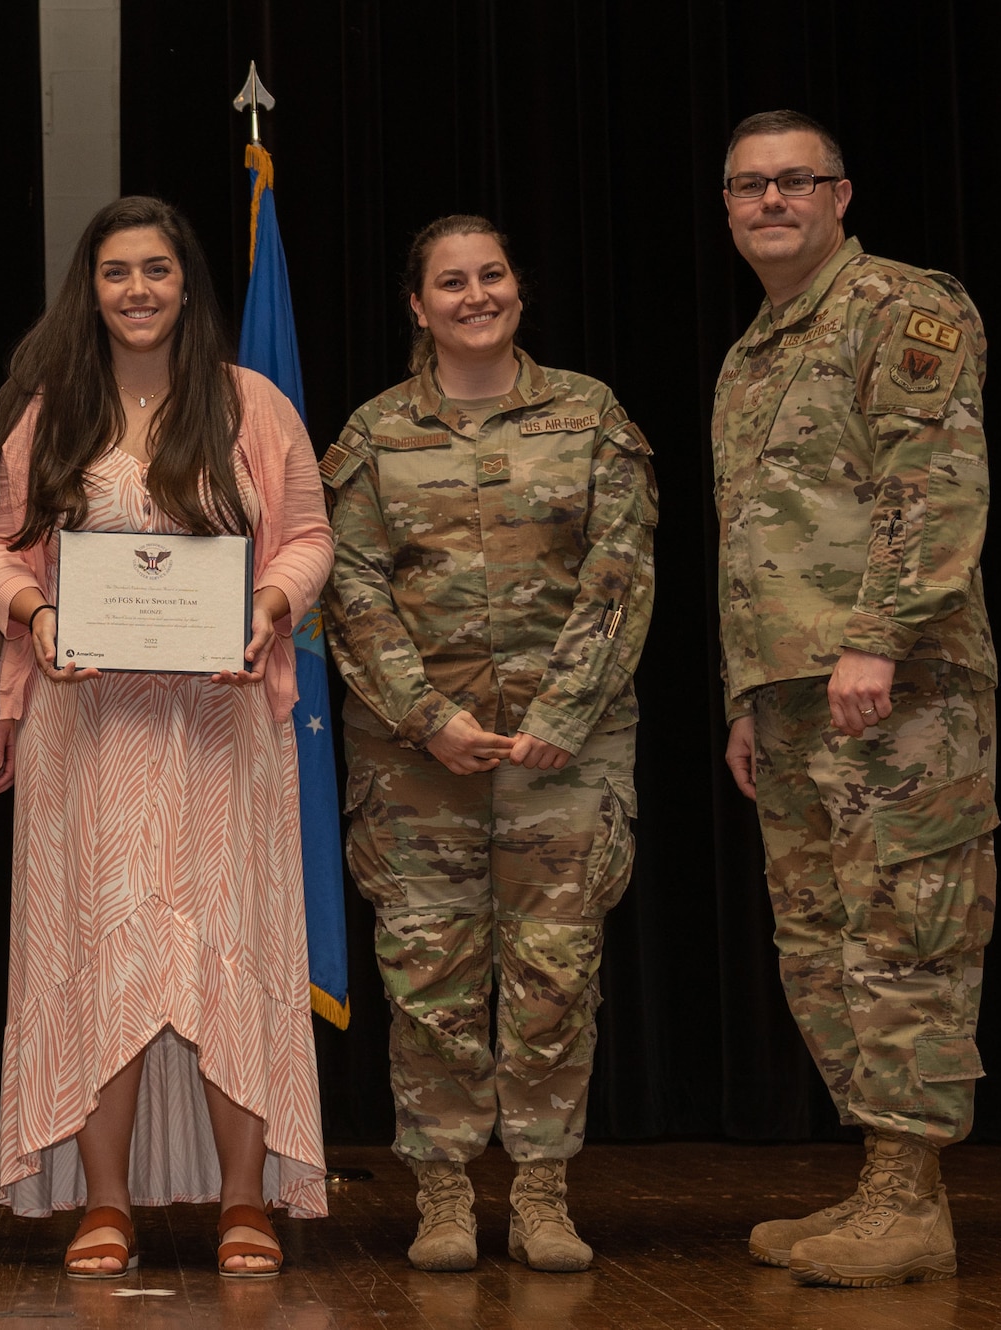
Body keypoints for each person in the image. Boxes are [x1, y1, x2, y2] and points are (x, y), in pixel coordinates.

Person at [0, 196, 333, 1279]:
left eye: (156, 270)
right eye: (115, 271)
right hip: (88, 731)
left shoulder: (249, 405)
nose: (135, 290)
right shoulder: (50, 411)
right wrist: (31, 615)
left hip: (220, 727)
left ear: (186, 285)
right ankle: (103, 1201)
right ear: (91, 286)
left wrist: (268, 602)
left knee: (231, 951)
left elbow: (306, 535)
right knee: (100, 951)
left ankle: (243, 1201)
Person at [321, 216, 657, 1274]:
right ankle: (443, 1193)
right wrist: (428, 716)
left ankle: (543, 1191)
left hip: (567, 752)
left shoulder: (590, 412)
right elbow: (351, 588)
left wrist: (557, 717)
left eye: (492, 275)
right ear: (416, 307)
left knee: (555, 972)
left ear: (518, 289)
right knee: (429, 976)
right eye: (450, 282)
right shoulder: (372, 434)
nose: (476, 295)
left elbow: (621, 571)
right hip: (414, 759)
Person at [713, 109, 997, 1288]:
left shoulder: (897, 307)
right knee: (822, 946)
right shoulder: (754, 350)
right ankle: (892, 1182)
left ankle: (905, 1197)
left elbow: (927, 481)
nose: (768, 202)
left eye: (792, 182)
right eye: (745, 187)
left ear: (838, 194)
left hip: (898, 683)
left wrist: (875, 639)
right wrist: (743, 695)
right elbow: (756, 543)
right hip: (790, 697)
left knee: (904, 930)